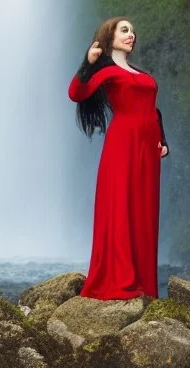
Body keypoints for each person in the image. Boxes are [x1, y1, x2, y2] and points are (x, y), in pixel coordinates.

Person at [68, 16, 169, 300]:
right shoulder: (109, 72)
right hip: (123, 144)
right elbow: (76, 93)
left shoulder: (139, 72)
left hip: (147, 148)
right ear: (109, 37)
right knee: (122, 205)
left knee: (144, 210)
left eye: (133, 32)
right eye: (124, 30)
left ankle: (145, 284)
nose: (131, 35)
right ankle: (121, 278)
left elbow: (152, 109)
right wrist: (88, 63)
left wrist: (163, 140)